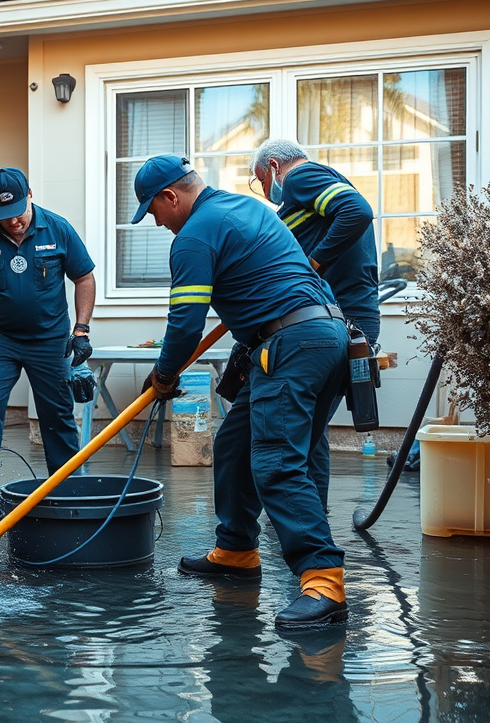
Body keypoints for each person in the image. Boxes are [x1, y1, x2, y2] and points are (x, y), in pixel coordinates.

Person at [134, 154, 350, 629]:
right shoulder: (245, 209)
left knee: (277, 461)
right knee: (235, 444)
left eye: (153, 211)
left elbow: (186, 323)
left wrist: (164, 374)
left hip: (290, 344)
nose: (157, 222)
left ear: (170, 196)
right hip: (326, 335)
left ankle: (323, 583)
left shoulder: (194, 236)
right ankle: (235, 551)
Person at [251, 139, 380, 509]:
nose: (266, 192)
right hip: (346, 319)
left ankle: (302, 524)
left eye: (262, 181)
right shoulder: (309, 196)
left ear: (273, 166)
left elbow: (357, 211)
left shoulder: (300, 177)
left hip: (340, 320)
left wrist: (313, 265)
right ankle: (310, 518)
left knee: (299, 436)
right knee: (312, 430)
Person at [0, 167, 96, 492]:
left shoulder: (58, 228)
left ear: (29, 195)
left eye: (17, 212)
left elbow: (84, 278)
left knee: (57, 412)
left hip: (50, 338)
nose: (13, 221)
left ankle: (69, 491)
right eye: (4, 216)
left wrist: (81, 330)